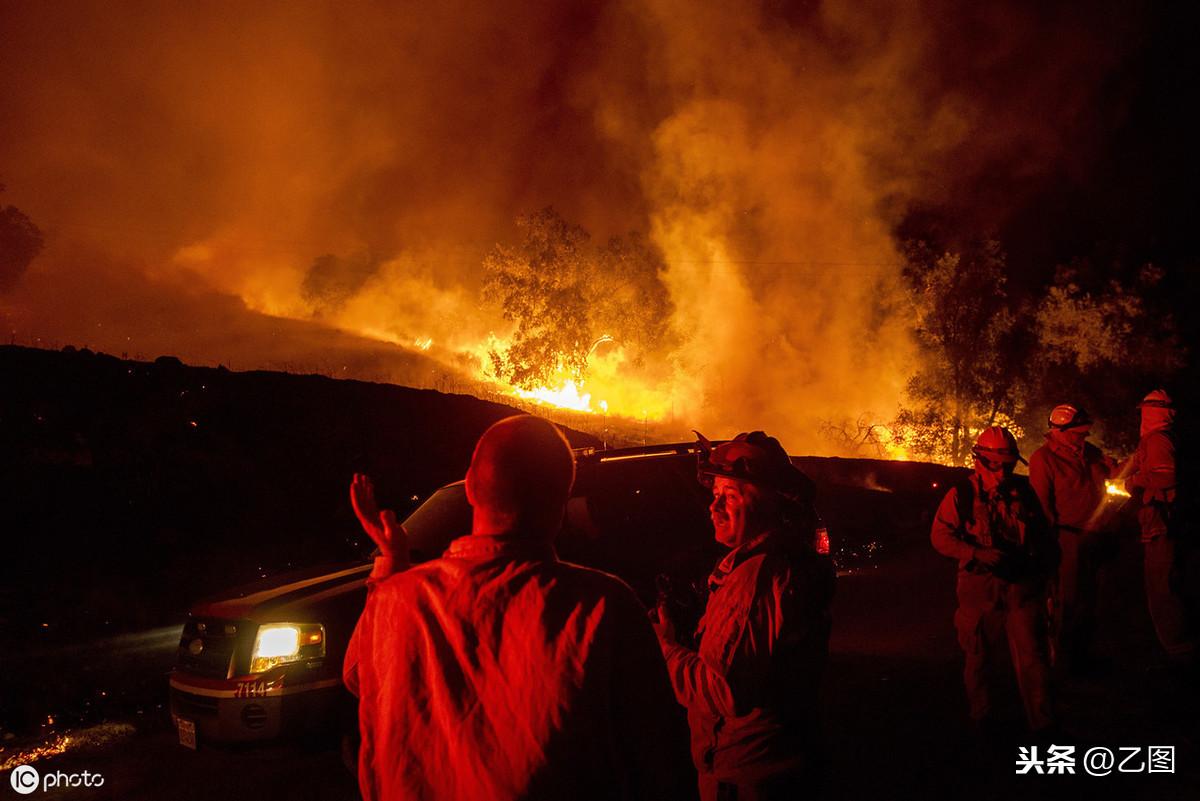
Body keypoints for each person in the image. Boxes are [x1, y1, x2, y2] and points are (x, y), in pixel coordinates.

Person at [343, 414, 695, 801]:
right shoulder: (602, 608)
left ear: (472, 487)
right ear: (564, 501)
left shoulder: (397, 598)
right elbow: (661, 763)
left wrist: (391, 564)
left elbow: (361, 677)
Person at [651, 431, 835, 801]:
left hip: (749, 776)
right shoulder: (770, 563)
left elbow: (725, 691)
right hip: (770, 768)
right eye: (715, 495)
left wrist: (666, 648)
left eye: (730, 497)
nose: (714, 508)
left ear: (768, 505)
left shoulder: (759, 576)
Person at [931, 426, 1057, 733]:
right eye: (993, 464)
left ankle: (1042, 725)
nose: (1001, 471)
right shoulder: (960, 494)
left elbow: (1043, 539)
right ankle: (982, 719)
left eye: (1007, 464)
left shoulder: (1025, 493)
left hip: (1021, 587)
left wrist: (1047, 580)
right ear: (978, 460)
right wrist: (975, 552)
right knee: (978, 657)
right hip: (980, 588)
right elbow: (940, 536)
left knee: (1033, 657)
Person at [1028, 404, 1120, 673]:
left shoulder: (1090, 453)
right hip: (1067, 539)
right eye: (1077, 432)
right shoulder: (1043, 459)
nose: (1083, 436)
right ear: (1059, 430)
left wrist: (1132, 463)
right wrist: (1047, 545)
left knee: (1092, 600)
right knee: (1068, 602)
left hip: (1096, 536)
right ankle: (1063, 663)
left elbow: (1110, 476)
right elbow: (1042, 506)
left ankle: (1083, 656)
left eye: (1084, 432)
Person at [1124, 389, 1194, 663]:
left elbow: (1165, 477)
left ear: (1153, 413)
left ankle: (1177, 649)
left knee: (1162, 585)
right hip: (1170, 520)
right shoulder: (1170, 437)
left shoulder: (1157, 439)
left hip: (1162, 522)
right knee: (1171, 582)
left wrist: (1133, 482)